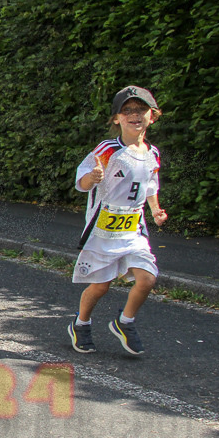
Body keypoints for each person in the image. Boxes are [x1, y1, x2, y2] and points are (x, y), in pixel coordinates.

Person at [68, 85, 167, 356]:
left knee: (147, 279)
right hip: (103, 231)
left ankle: (125, 322)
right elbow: (82, 180)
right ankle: (81, 324)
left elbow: (150, 186)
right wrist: (93, 178)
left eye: (141, 110)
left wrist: (156, 210)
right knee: (101, 285)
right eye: (127, 111)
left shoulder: (152, 153)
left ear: (152, 116)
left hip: (133, 229)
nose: (135, 115)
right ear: (116, 119)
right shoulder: (108, 149)